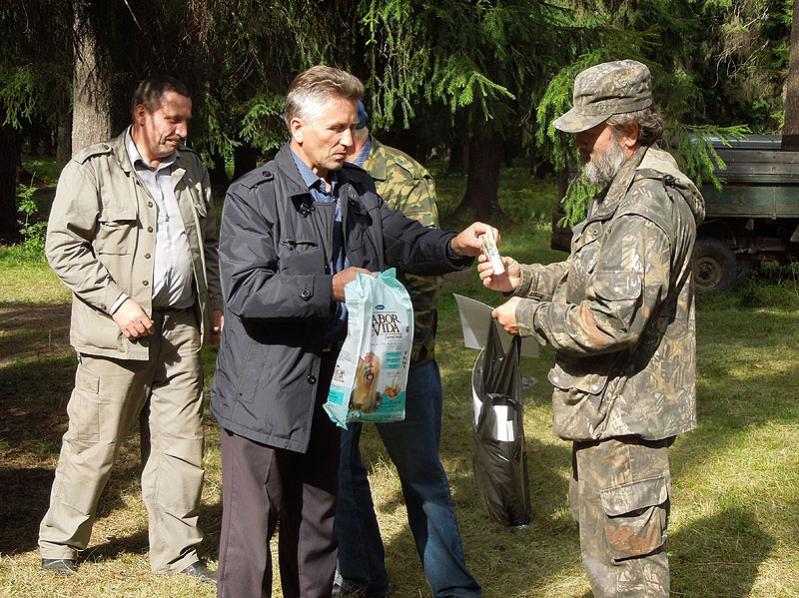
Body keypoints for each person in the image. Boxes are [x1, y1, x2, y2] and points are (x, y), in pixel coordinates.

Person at [211, 65, 492, 598]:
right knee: (250, 536)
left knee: (318, 524)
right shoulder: (253, 195)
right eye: (335, 128)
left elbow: (404, 239)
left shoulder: (356, 189)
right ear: (297, 128)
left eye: (352, 126)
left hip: (333, 387)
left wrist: (454, 245)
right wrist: (329, 288)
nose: (348, 139)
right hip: (264, 393)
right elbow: (247, 291)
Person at [479, 60, 705, 597]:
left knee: (629, 573)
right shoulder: (623, 190)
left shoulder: (645, 207)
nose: (579, 143)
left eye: (591, 130)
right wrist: (525, 279)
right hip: (608, 409)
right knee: (607, 555)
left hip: (626, 417)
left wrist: (527, 317)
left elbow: (611, 321)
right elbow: (591, 276)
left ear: (629, 132)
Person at [39, 76, 222, 584]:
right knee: (94, 442)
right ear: (142, 115)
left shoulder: (191, 169)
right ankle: (60, 541)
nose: (182, 130)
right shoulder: (93, 169)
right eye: (173, 120)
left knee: (181, 443)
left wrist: (216, 305)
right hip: (113, 332)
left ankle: (178, 552)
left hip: (180, 328)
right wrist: (117, 303)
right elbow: (62, 247)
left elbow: (207, 243)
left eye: (186, 121)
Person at [333, 102, 481, 597]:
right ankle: (363, 578)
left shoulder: (401, 174)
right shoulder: (320, 177)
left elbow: (419, 271)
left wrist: (384, 338)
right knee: (341, 474)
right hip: (336, 358)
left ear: (355, 127)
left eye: (342, 127)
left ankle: (453, 589)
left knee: (421, 478)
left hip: (398, 356)